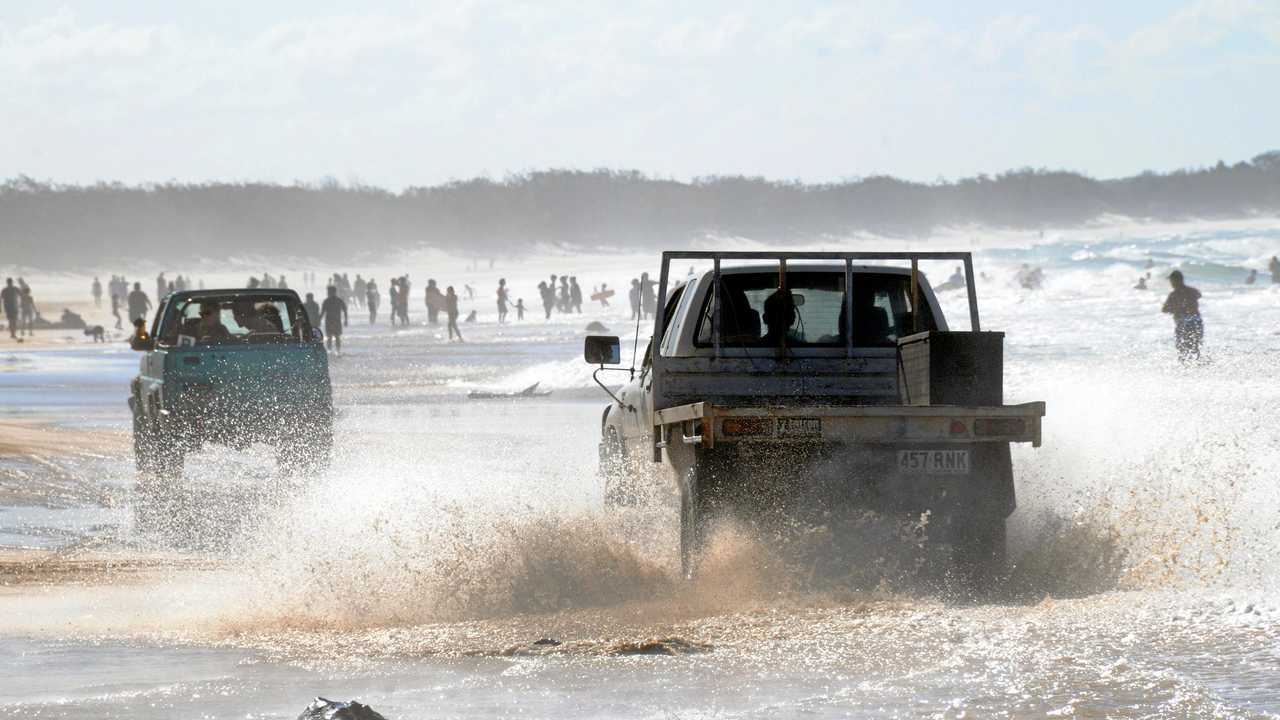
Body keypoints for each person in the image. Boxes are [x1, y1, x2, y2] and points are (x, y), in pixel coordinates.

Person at [1161, 270, 1203, 364]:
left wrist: (1177, 308)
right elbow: (1199, 295)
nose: (1170, 283)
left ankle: (1184, 370)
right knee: (1195, 347)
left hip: (1183, 322)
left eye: (1171, 280)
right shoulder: (1192, 291)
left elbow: (1164, 309)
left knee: (1182, 349)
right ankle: (1198, 369)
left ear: (1176, 280)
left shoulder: (1174, 294)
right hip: (1196, 321)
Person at [319, 285, 348, 353]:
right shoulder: (327, 301)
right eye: (328, 291)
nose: (328, 293)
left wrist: (346, 320)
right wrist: (319, 320)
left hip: (336, 321)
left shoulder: (339, 300)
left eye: (329, 291)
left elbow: (345, 310)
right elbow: (323, 311)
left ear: (334, 292)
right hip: (330, 321)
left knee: (336, 336)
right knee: (330, 337)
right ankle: (330, 350)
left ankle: (337, 350)